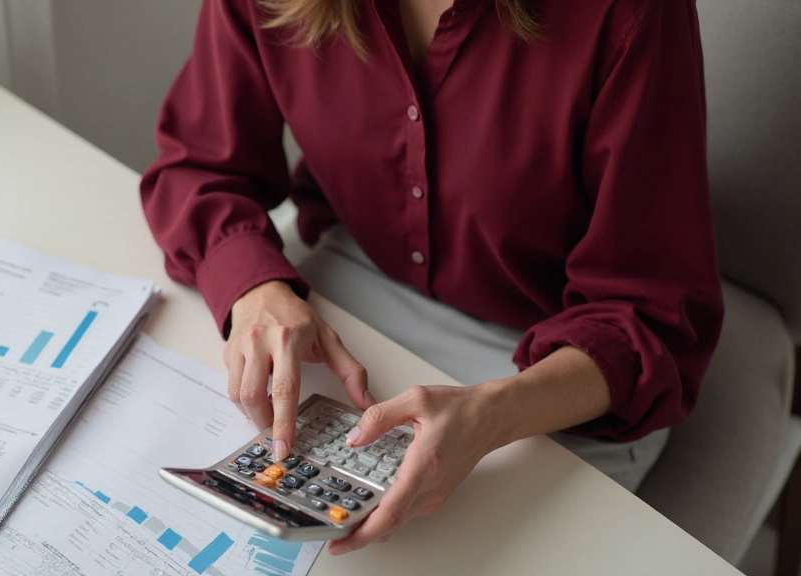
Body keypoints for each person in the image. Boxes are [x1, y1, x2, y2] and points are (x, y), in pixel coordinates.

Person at [141, 0, 723, 555]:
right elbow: (199, 162)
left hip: (556, 371)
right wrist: (254, 290)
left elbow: (650, 314)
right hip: (349, 277)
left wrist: (492, 416)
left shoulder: (631, 12)